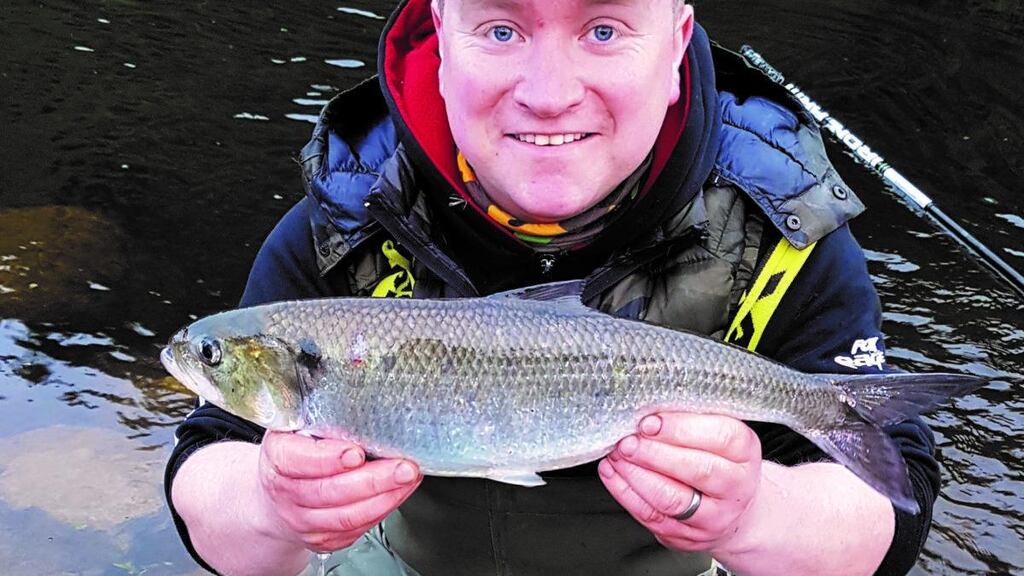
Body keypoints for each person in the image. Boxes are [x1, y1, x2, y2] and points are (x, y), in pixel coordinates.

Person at [164, 1, 942, 574]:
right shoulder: (341, 218)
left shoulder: (782, 238)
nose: (548, 92)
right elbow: (209, 480)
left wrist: (750, 513)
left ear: (676, 38)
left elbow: (891, 526)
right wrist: (275, 506)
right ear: (440, 35)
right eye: (501, 30)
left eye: (603, 30)